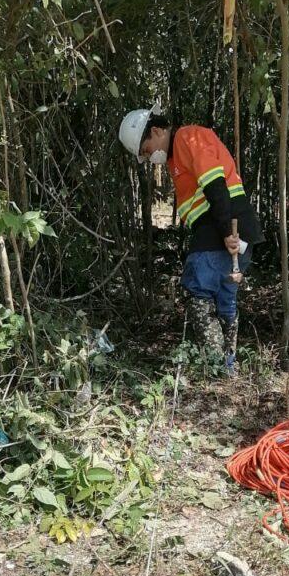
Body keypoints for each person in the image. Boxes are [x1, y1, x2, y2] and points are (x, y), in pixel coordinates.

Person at [119, 104, 263, 374]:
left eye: (147, 150)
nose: (150, 158)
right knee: (224, 298)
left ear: (157, 130)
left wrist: (225, 233)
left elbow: (215, 184)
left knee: (198, 292)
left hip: (221, 223)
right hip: (228, 225)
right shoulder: (175, 158)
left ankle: (218, 368)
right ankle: (228, 369)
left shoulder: (187, 137)